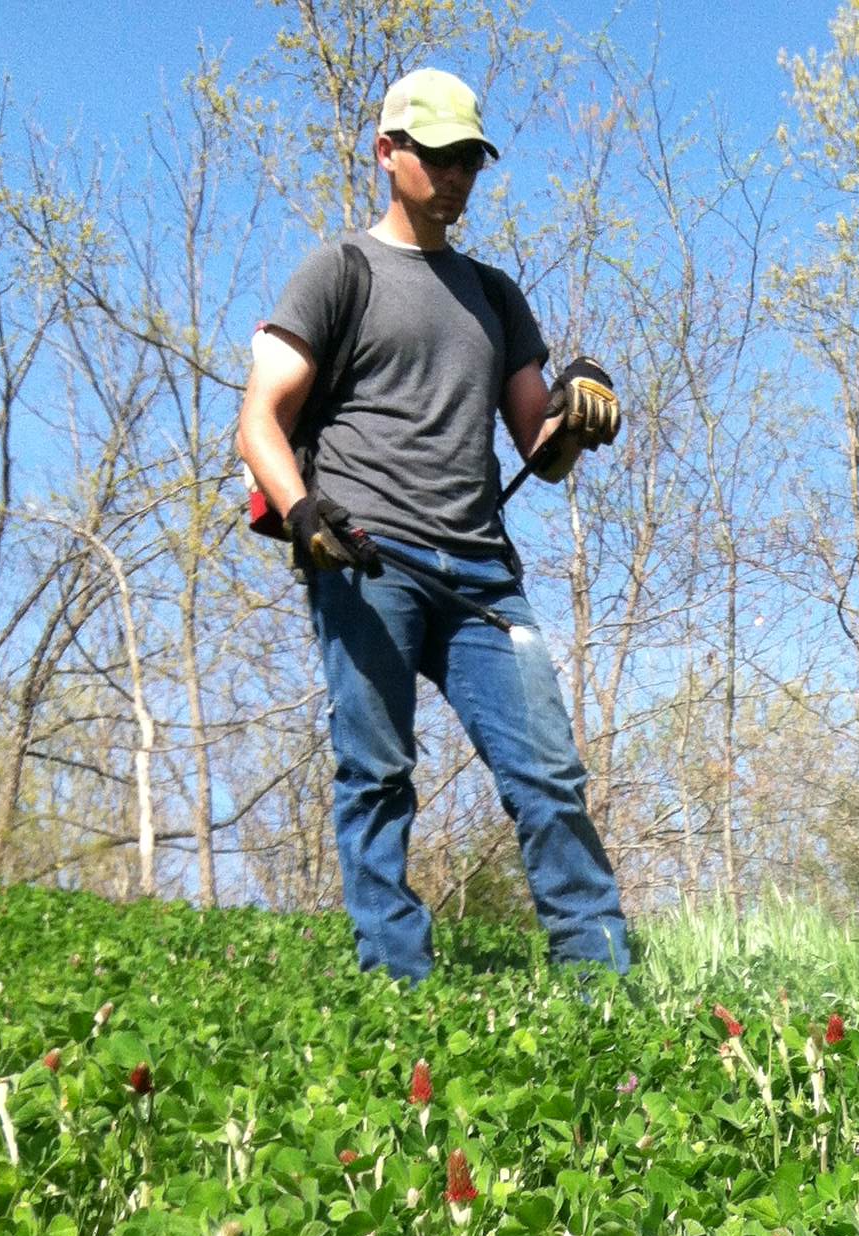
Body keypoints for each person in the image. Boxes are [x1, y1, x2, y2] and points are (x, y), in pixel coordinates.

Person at [236, 67, 630, 983]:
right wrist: (303, 516)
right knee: (375, 776)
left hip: (484, 576)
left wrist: (578, 414)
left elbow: (540, 444)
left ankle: (602, 980)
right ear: (388, 152)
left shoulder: (493, 293)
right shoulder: (341, 271)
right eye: (440, 157)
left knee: (550, 778)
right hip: (366, 554)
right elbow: (261, 416)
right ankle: (399, 990)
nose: (456, 177)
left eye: (471, 162)